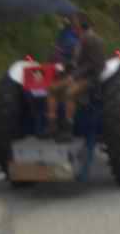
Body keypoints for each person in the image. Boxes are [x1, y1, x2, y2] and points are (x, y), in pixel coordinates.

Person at [43, 12, 106, 142]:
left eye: (74, 24)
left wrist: (74, 76)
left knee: (69, 92)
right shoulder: (80, 39)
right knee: (51, 88)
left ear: (81, 25)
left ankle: (68, 130)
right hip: (76, 75)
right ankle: (52, 125)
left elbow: (94, 65)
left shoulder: (93, 40)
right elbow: (75, 62)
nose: (72, 26)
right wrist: (63, 65)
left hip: (90, 78)